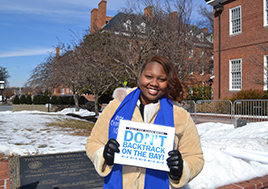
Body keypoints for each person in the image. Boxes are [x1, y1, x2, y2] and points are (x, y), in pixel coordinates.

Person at [85, 55, 204, 189]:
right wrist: (104, 155)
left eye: (161, 79)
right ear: (140, 77)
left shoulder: (180, 116)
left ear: (168, 82)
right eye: (149, 76)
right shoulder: (116, 107)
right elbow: (93, 143)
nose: (154, 83)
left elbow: (195, 157)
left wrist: (180, 170)